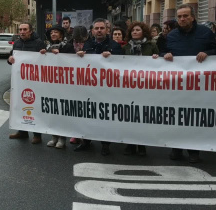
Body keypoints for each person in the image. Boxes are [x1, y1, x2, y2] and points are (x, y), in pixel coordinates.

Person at [163, 4, 216, 163]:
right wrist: (164, 55)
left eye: (185, 16)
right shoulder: (172, 35)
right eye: (179, 16)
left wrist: (207, 53)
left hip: (198, 85)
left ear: (193, 17)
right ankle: (176, 149)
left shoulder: (205, 33)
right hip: (177, 85)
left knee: (193, 118)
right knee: (176, 117)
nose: (182, 19)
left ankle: (194, 152)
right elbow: (163, 53)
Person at [74, 18, 123, 156]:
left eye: (102, 28)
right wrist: (80, 56)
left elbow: (121, 64)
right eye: (97, 28)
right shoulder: (88, 44)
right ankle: (86, 141)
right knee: (88, 115)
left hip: (107, 88)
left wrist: (112, 56)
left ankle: (105, 145)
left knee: (104, 117)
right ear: (92, 30)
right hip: (90, 88)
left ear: (107, 30)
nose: (99, 31)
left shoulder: (115, 45)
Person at [122, 22, 159, 156]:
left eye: (137, 30)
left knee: (142, 116)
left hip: (146, 86)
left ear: (143, 31)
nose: (135, 32)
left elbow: (160, 63)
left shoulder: (152, 45)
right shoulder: (126, 47)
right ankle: (130, 144)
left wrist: (156, 58)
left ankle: (142, 145)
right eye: (132, 30)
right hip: (129, 86)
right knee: (129, 116)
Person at [8, 22, 46, 144]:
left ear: (30, 31)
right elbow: (11, 57)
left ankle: (37, 134)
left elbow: (46, 59)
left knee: (34, 106)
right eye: (20, 29)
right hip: (20, 81)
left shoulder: (38, 43)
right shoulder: (17, 43)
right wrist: (9, 59)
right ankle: (22, 132)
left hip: (34, 80)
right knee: (20, 105)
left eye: (25, 29)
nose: (22, 32)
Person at [40, 25, 75, 149]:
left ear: (61, 35)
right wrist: (43, 54)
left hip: (64, 84)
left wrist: (60, 55)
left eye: (56, 32)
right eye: (51, 33)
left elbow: (72, 63)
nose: (53, 34)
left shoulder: (68, 47)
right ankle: (54, 136)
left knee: (62, 111)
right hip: (51, 84)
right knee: (52, 111)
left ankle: (62, 138)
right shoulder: (47, 47)